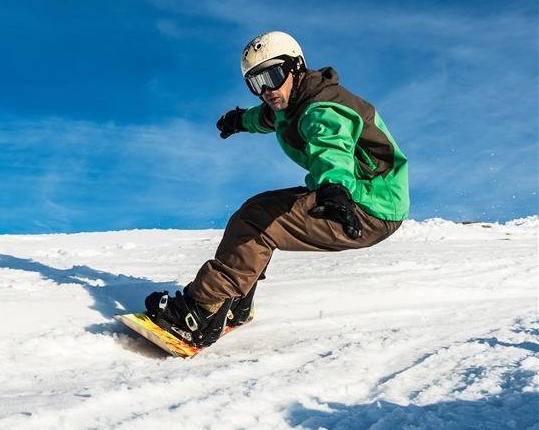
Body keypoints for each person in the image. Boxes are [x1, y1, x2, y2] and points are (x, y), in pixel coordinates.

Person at [145, 31, 409, 347]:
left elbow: (332, 148)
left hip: (363, 205)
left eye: (272, 75)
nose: (266, 90)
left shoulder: (323, 109)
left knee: (258, 221)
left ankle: (200, 311)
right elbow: (268, 117)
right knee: (253, 211)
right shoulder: (290, 101)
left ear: (296, 67)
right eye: (255, 83)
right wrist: (239, 120)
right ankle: (235, 303)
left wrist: (334, 187)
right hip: (352, 196)